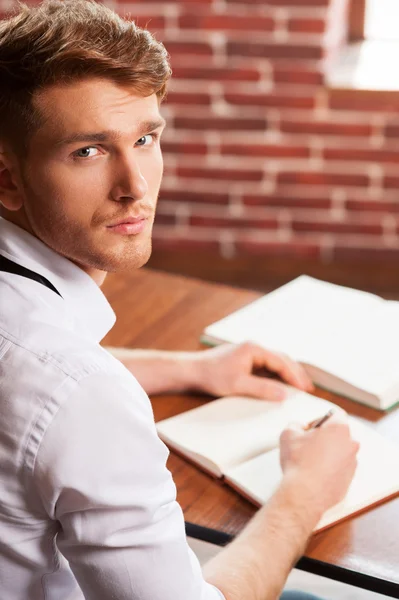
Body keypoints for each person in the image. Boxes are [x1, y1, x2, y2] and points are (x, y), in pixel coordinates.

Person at [0, 2, 359, 599]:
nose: (135, 187)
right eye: (88, 151)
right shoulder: (83, 396)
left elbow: (32, 379)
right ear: (8, 179)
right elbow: (61, 393)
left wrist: (191, 369)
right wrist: (302, 493)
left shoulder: (44, 359)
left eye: (144, 139)